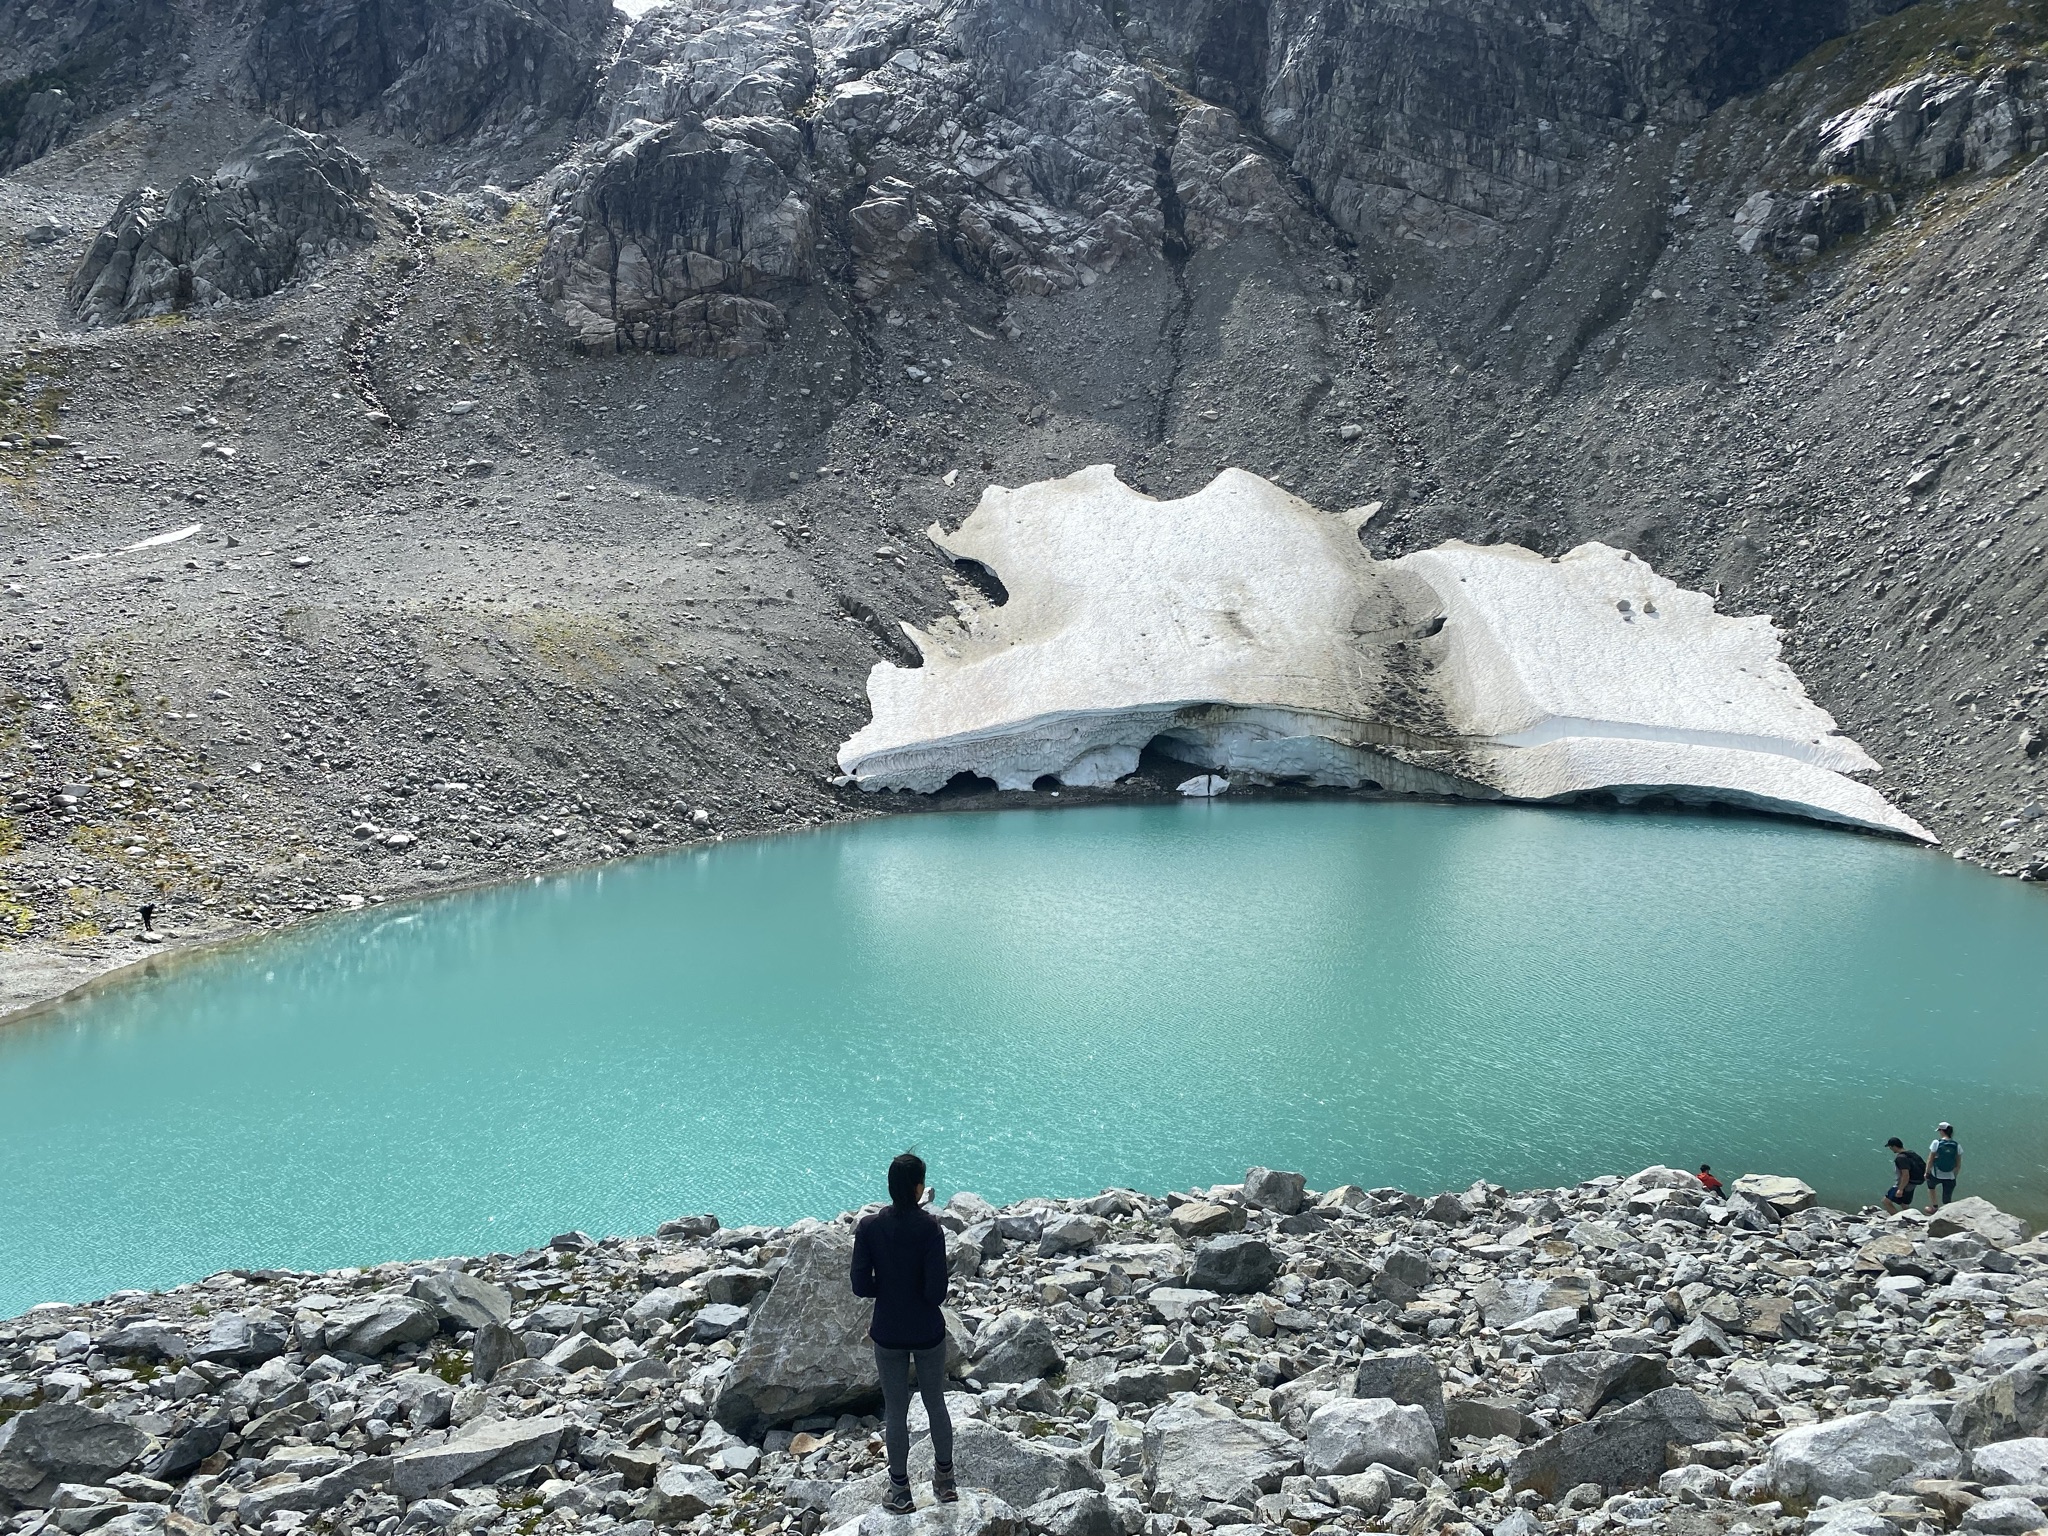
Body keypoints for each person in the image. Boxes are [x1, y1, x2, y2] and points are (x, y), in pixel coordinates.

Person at [851, 1152, 955, 1513]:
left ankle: (900, 1492)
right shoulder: (930, 1228)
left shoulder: (868, 1228)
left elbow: (860, 1285)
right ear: (918, 1188)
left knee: (895, 1412)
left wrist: (891, 1288)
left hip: (889, 1332)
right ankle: (946, 1483)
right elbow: (936, 1292)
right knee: (935, 1403)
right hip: (927, 1331)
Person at [1925, 1123, 1962, 1212]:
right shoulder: (1956, 1145)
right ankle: (1947, 1211)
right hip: (1950, 1176)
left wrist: (1927, 1172)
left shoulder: (1936, 1143)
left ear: (1942, 1131)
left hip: (1936, 1174)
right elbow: (1958, 1164)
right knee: (1947, 1198)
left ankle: (1934, 1207)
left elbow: (1930, 1159)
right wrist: (1954, 1176)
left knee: (1931, 1186)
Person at [1883, 1137, 1925, 1214]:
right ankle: (1910, 1219)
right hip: (1913, 1184)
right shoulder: (1911, 1154)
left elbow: (1905, 1175)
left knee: (1886, 1201)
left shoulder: (1900, 1158)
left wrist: (1900, 1189)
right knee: (1904, 1204)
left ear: (1894, 1146)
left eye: (1890, 1147)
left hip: (1903, 1185)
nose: (1890, 1149)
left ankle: (1897, 1218)